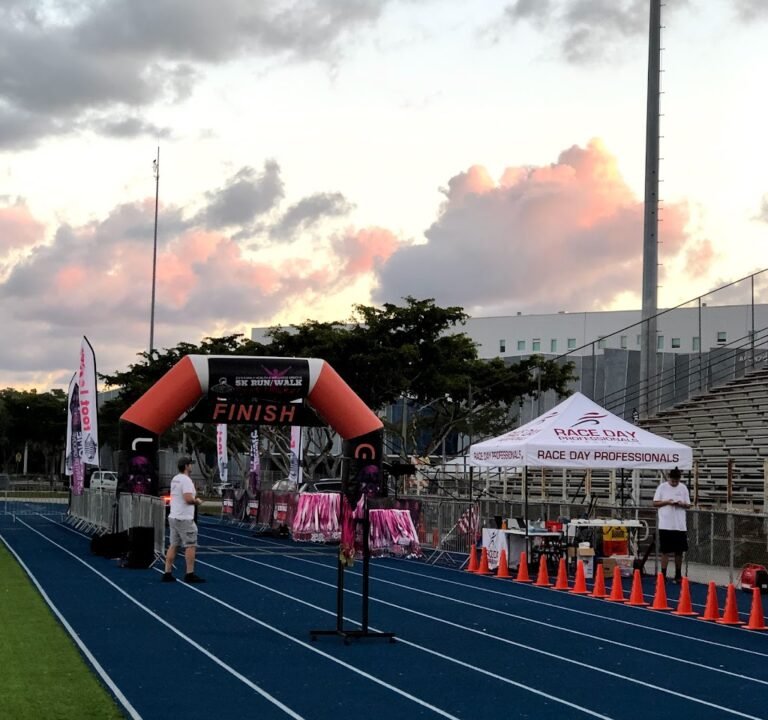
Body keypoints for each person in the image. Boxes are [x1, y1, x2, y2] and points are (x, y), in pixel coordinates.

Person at [162, 457, 205, 583]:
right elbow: (187, 498)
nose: (191, 466)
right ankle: (189, 573)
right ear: (186, 466)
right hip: (184, 518)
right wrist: (197, 501)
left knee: (173, 545)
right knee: (190, 545)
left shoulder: (175, 479)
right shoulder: (186, 480)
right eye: (190, 464)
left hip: (174, 515)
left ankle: (167, 572)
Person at [652, 467, 690, 583]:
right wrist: (668, 502)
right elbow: (655, 503)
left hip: (679, 525)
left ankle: (678, 574)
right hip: (666, 525)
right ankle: (663, 574)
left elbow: (688, 504)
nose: (674, 483)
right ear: (669, 478)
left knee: (679, 551)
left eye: (676, 481)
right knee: (665, 551)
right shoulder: (662, 487)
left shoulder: (683, 488)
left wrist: (681, 504)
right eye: (672, 481)